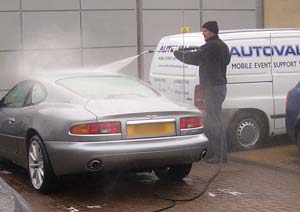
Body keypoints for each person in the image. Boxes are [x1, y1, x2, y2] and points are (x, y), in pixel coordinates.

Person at [173, 21, 231, 163]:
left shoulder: (212, 46)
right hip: (219, 87)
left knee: (214, 121)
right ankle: (214, 153)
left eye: (205, 31)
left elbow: (195, 58)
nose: (203, 33)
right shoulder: (222, 46)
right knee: (213, 120)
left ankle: (220, 156)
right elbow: (225, 61)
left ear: (212, 31)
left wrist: (177, 54)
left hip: (213, 88)